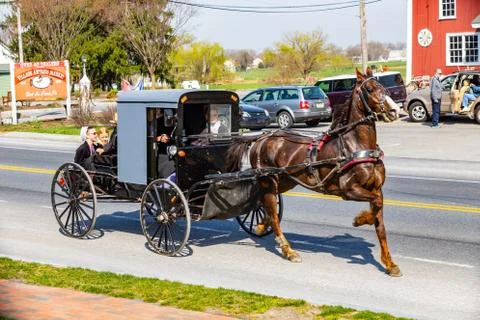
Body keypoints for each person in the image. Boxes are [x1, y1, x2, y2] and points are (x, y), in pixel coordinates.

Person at [156, 109, 175, 178]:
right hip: (163, 153)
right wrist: (160, 138)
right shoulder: (158, 122)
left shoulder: (180, 122)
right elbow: (149, 138)